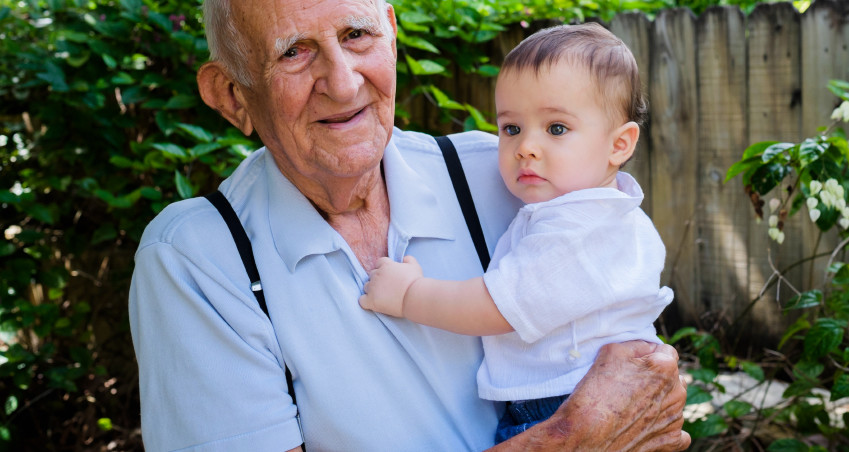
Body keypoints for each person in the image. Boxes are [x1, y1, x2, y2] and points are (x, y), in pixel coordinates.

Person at [128, 0, 692, 450]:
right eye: (295, 51)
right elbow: (606, 424)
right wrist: (569, 443)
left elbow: (634, 373)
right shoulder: (197, 260)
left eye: (356, 36)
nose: (344, 83)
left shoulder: (506, 176)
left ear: (391, 34)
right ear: (231, 95)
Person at [358, 23, 673, 443]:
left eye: (556, 128)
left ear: (620, 144)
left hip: (563, 405)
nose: (526, 146)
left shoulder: (578, 230)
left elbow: (496, 308)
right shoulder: (613, 213)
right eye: (511, 128)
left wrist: (408, 295)